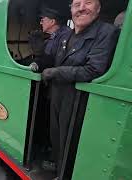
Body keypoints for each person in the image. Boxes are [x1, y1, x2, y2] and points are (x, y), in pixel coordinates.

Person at [39, 0, 119, 179]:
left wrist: (55, 72)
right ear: (71, 10)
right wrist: (39, 62)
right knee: (57, 137)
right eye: (77, 4)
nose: (81, 8)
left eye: (88, 2)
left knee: (70, 142)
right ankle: (59, 169)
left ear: (98, 9)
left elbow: (93, 69)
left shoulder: (106, 32)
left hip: (79, 100)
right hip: (58, 95)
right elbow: (52, 58)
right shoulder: (67, 36)